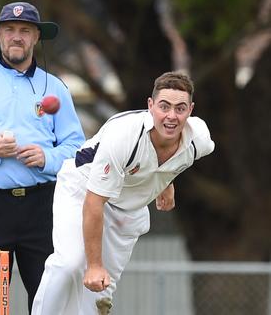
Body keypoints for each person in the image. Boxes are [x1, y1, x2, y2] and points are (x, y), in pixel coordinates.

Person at [31, 71, 215, 315]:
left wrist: (166, 180)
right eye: (164, 106)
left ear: (190, 110)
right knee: (69, 264)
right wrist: (94, 265)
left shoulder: (200, 141)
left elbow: (172, 159)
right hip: (83, 189)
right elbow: (94, 203)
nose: (171, 116)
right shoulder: (125, 136)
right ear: (150, 106)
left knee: (99, 294)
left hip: (128, 210)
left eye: (180, 108)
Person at [0, 1, 86, 314]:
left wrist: (46, 157)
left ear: (36, 37)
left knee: (54, 302)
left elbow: (78, 150)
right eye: (9, 29)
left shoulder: (56, 88)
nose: (16, 37)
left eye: (24, 31)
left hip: (45, 208)